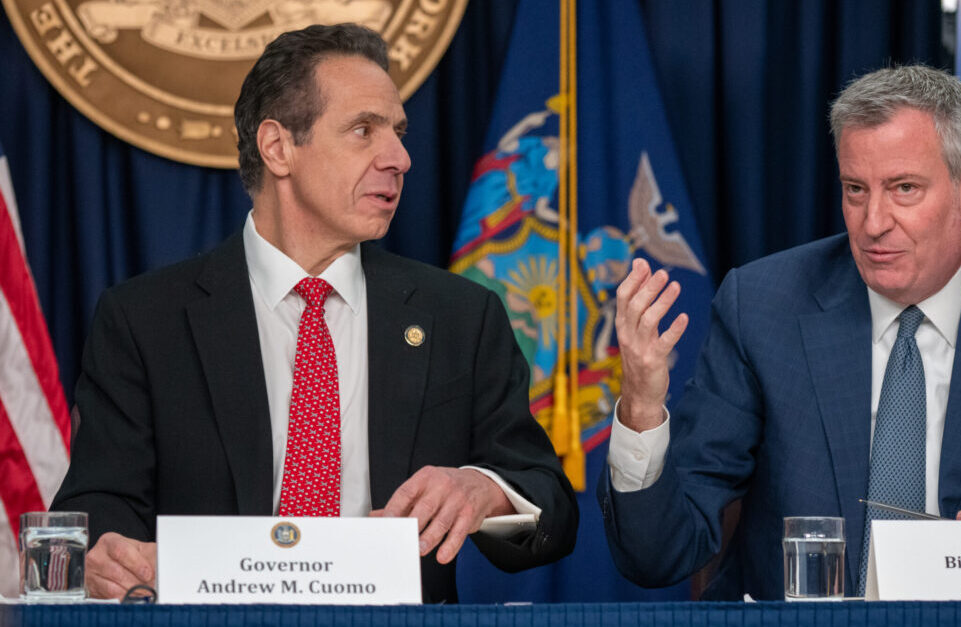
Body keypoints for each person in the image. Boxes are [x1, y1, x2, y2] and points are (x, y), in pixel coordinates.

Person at [51, 23, 577, 603]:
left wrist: (483, 490)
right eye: (363, 130)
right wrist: (110, 556)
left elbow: (549, 504)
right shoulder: (145, 320)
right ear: (278, 148)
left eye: (399, 133)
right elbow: (98, 507)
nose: (400, 158)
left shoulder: (461, 316)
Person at [600, 64, 961, 600]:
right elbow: (659, 556)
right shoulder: (764, 307)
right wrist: (643, 411)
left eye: (904, 188)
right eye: (856, 190)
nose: (873, 222)